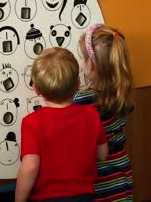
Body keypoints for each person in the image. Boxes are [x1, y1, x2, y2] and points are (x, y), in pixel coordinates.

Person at [16, 47, 108, 202]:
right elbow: (102, 155)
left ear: (36, 89)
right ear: (78, 85)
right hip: (84, 197)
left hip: (45, 198)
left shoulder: (32, 122)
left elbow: (30, 167)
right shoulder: (91, 115)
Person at [74, 24, 134, 202]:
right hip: (122, 170)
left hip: (100, 175)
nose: (82, 63)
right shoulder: (123, 93)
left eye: (83, 58)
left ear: (90, 65)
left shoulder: (83, 100)